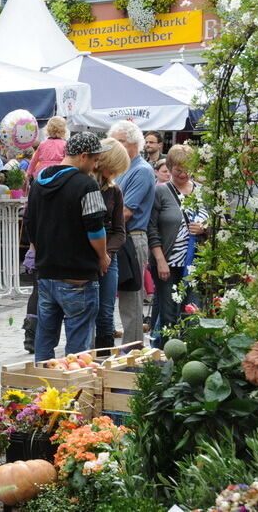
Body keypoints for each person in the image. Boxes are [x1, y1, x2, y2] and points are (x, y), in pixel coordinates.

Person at [24, 132, 111, 362]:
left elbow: (29, 224)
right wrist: (102, 256)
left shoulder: (39, 181)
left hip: (47, 275)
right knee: (78, 349)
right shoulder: (87, 185)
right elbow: (95, 229)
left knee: (44, 339)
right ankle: (73, 395)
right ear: (83, 156)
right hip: (78, 278)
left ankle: (42, 391)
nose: (96, 165)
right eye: (95, 159)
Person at [147, 144, 208, 348]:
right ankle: (166, 357)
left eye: (187, 169)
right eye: (178, 170)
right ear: (170, 167)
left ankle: (189, 353)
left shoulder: (203, 192)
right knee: (168, 315)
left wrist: (204, 228)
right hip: (168, 264)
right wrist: (160, 260)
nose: (183, 174)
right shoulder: (161, 192)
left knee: (193, 313)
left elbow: (220, 221)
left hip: (196, 264)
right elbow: (152, 228)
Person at [109, 121, 156, 347]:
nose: (116, 147)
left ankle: (133, 352)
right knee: (122, 298)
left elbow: (125, 212)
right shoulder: (124, 170)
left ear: (134, 143)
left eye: (121, 142)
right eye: (114, 142)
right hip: (121, 237)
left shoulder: (142, 170)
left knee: (131, 299)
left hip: (133, 237)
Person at [91, 138, 129, 353]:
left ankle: (104, 359)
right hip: (86, 254)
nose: (115, 173)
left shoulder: (114, 191)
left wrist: (105, 255)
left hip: (109, 256)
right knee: (88, 310)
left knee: (106, 312)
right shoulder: (84, 184)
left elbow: (120, 231)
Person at [26, 116, 68, 181]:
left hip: (42, 172)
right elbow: (68, 160)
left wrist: (29, 173)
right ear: (63, 130)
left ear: (48, 129)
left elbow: (34, 160)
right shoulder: (64, 144)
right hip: (58, 172)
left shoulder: (43, 144)